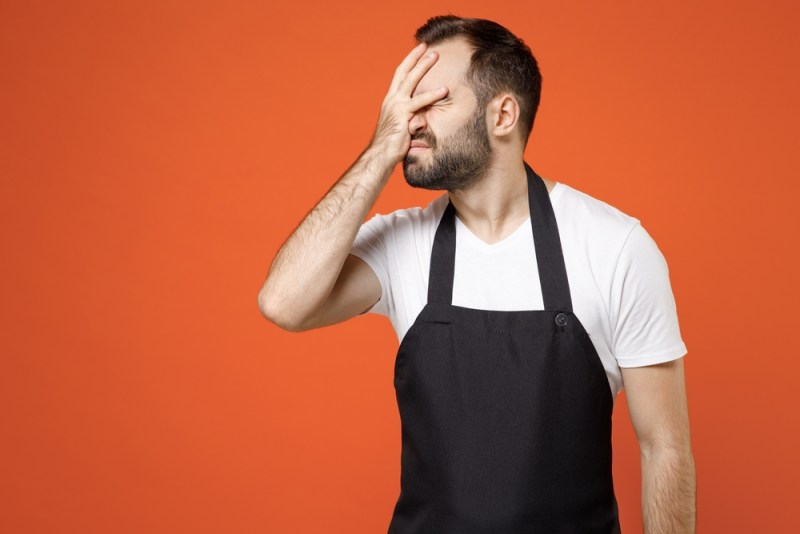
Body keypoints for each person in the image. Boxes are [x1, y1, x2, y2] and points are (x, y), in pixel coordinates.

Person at [258, 15, 696, 534]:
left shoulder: (615, 246)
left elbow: (664, 447)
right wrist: (380, 147)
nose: (410, 120)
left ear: (502, 114)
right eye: (406, 103)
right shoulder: (405, 243)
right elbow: (282, 303)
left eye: (433, 101)